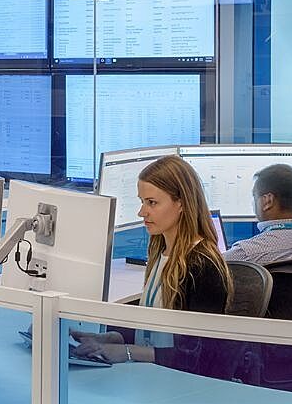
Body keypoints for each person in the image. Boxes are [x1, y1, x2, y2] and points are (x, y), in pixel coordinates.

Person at [72, 156, 233, 371]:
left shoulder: (202, 265)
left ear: (181, 203)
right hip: (153, 374)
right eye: (142, 202)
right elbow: (155, 331)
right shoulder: (161, 252)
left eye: (152, 203)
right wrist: (113, 338)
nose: (142, 212)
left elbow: (196, 356)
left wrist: (127, 352)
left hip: (179, 383)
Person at [224, 163, 292, 265]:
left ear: (268, 201)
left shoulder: (245, 253)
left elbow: (212, 268)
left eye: (255, 197)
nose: (253, 202)